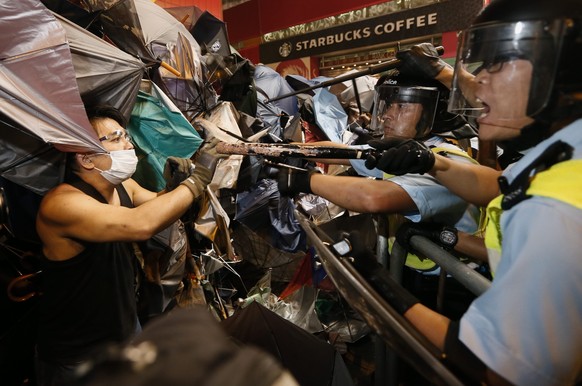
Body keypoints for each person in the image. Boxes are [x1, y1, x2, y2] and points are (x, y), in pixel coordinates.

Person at [363, 0, 582, 384]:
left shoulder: (551, 210)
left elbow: (500, 372)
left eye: (497, 64)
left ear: (558, 72)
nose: (479, 82)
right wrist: (431, 163)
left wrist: (381, 290)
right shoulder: (564, 153)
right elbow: (502, 184)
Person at [34, 105, 223, 385]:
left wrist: (175, 187)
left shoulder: (123, 186)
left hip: (124, 329)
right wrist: (196, 181)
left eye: (126, 136)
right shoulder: (61, 204)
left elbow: (162, 210)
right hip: (79, 354)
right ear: (86, 158)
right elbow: (140, 224)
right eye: (117, 137)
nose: (128, 144)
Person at [279, 71, 484, 272]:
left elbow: (373, 198)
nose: (387, 115)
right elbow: (342, 152)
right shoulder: (407, 150)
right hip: (411, 268)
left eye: (402, 106)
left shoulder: (448, 162)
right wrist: (280, 149)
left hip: (452, 285)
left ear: (434, 112)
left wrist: (306, 180)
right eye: (389, 105)